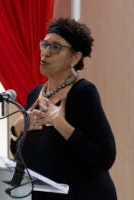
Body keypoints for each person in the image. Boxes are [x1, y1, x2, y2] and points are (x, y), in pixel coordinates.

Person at [10, 17, 117, 200]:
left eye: (56, 47)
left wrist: (61, 124)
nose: (45, 53)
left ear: (75, 58)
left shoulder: (83, 93)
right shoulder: (35, 94)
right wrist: (17, 129)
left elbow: (105, 157)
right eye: (44, 44)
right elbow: (25, 154)